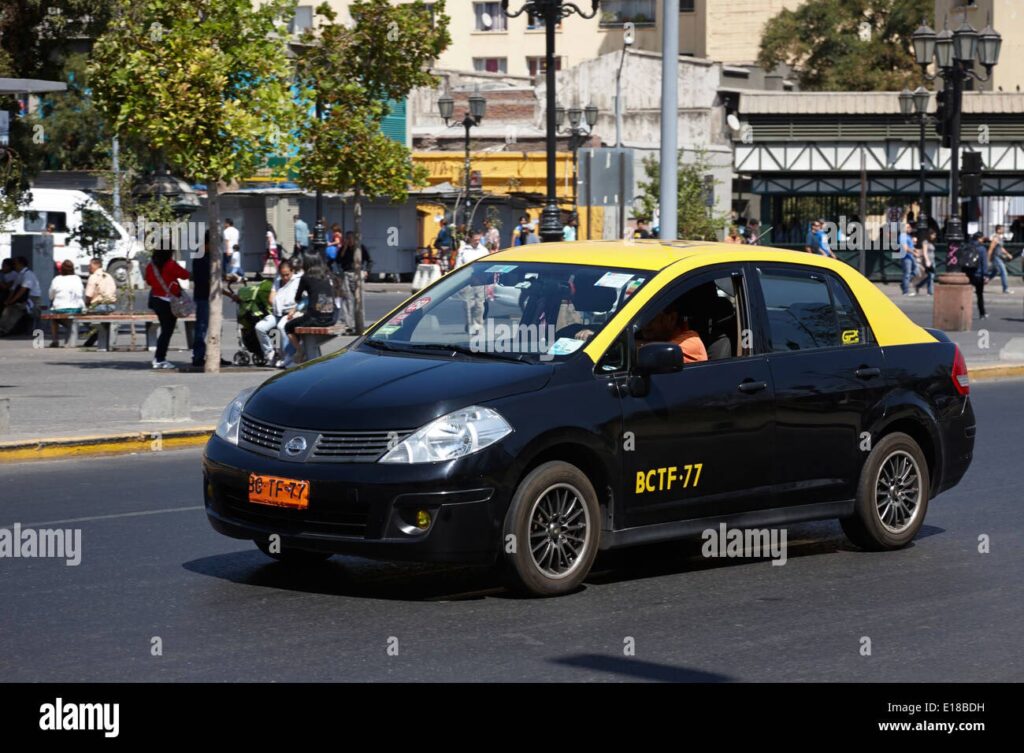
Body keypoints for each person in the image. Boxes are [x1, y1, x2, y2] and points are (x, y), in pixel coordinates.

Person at [283, 253, 337, 366]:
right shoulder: (327, 276)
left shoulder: (306, 277)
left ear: (307, 264)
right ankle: (307, 352)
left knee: (288, 327)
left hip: (315, 318)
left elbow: (297, 297)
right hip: (331, 318)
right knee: (305, 323)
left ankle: (300, 351)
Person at [144, 245, 190, 369]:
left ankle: (159, 358)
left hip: (156, 300)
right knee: (167, 331)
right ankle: (159, 358)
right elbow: (185, 275)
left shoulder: (151, 266)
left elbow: (148, 281)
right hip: (169, 301)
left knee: (165, 330)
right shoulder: (171, 264)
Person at [256, 258, 301, 365]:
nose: (285, 277)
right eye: (282, 275)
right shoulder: (277, 281)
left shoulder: (298, 281)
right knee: (260, 327)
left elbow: (303, 299)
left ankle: (288, 356)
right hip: (277, 313)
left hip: (291, 313)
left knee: (282, 326)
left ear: (292, 271)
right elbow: (271, 298)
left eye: (287, 274)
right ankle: (270, 353)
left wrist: (293, 309)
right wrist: (277, 303)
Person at [0, 256, 42, 336]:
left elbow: (22, 290)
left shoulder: (28, 274)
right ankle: (2, 327)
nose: (14, 265)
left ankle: (5, 329)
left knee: (16, 308)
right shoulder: (19, 275)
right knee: (8, 309)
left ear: (20, 264)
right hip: (23, 298)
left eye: (15, 263)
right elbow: (13, 289)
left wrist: (12, 301)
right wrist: (8, 301)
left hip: (32, 299)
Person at [47, 259, 85, 346]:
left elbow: (50, 296)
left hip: (60, 309)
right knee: (68, 320)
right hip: (76, 309)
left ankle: (55, 340)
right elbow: (82, 293)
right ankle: (68, 332)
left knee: (54, 318)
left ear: (61, 269)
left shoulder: (57, 279)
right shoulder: (77, 279)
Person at [191, 233, 211, 368]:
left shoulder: (208, 255)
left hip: (209, 296)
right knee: (202, 327)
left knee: (212, 327)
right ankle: (198, 356)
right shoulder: (201, 256)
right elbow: (205, 279)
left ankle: (213, 353)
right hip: (203, 296)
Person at [961, 231, 988, 320]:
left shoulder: (967, 246)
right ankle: (982, 313)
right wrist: (985, 275)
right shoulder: (982, 249)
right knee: (979, 295)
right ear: (979, 238)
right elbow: (984, 263)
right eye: (982, 238)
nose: (983, 240)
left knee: (966, 294)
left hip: (968, 273)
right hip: (978, 274)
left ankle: (964, 312)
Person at [986, 225, 1014, 294]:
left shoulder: (999, 238)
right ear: (998, 230)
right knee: (1004, 272)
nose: (1003, 230)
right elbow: (990, 249)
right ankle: (1005, 289)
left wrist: (1007, 254)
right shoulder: (995, 238)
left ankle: (984, 280)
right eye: (1002, 229)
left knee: (995, 271)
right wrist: (988, 259)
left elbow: (1001, 248)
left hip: (998, 257)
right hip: (996, 257)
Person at [914, 230, 937, 296]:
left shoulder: (932, 242)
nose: (934, 236)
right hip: (928, 261)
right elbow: (924, 252)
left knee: (931, 276)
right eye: (933, 235)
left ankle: (918, 285)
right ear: (930, 235)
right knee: (931, 276)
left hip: (932, 260)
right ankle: (930, 292)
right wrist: (927, 261)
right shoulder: (925, 242)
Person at [898, 222, 917, 296]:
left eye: (910, 227)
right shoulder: (902, 236)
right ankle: (905, 291)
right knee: (907, 274)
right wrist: (914, 253)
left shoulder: (908, 236)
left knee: (916, 271)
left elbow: (910, 246)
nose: (910, 228)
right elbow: (905, 248)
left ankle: (903, 284)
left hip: (910, 256)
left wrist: (915, 249)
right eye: (908, 227)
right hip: (906, 257)